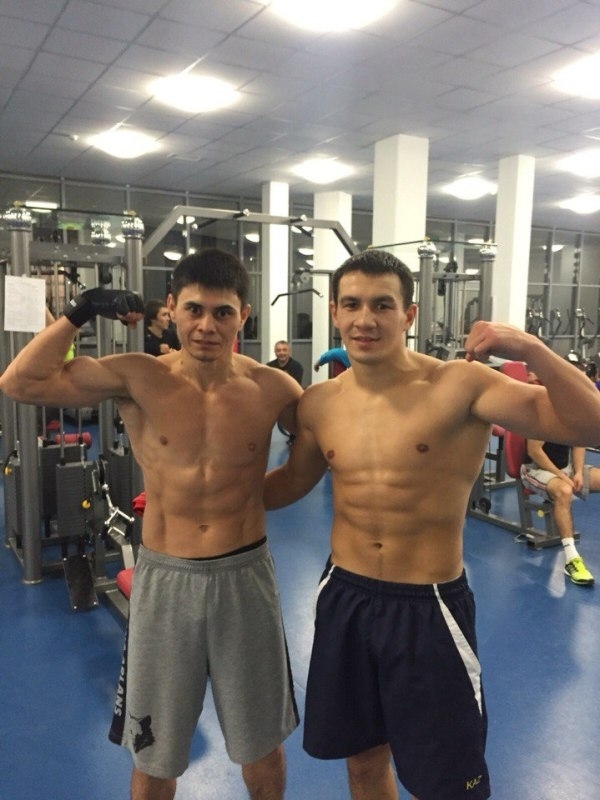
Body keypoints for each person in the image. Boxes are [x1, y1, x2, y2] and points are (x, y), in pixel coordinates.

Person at [263, 249, 600, 800]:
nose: (365, 319)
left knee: (446, 784)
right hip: (344, 596)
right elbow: (290, 482)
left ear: (409, 315)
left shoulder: (460, 385)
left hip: (428, 606)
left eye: (382, 305)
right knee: (363, 763)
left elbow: (592, 422)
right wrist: (203, 496)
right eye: (352, 304)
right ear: (334, 312)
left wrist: (530, 347)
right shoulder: (320, 403)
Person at [0, 248, 303, 800]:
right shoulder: (137, 376)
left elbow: (325, 450)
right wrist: (82, 310)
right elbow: (21, 382)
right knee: (153, 750)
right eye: (194, 310)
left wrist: (251, 498)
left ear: (244, 314)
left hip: (245, 578)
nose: (207, 326)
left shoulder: (274, 388)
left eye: (223, 312)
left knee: (263, 747)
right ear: (172, 307)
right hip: (166, 579)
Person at [521, 371, 599, 585]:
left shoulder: (576, 410)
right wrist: (561, 476)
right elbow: (534, 451)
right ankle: (571, 559)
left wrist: (577, 472)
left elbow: (579, 442)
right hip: (535, 469)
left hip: (564, 468)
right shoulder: (543, 410)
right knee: (564, 492)